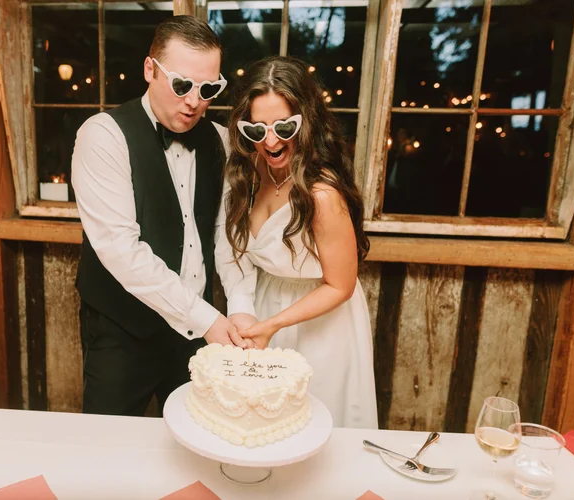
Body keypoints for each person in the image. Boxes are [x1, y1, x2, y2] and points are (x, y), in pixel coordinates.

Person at [71, 16, 248, 417]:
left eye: (208, 89)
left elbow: (225, 235)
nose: (194, 101)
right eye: (182, 85)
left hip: (195, 334)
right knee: (109, 446)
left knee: (195, 443)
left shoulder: (220, 140)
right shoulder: (103, 135)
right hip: (122, 331)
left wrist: (238, 307)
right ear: (150, 69)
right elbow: (120, 249)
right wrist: (207, 320)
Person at [215, 56, 378, 428]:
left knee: (313, 425)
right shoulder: (247, 174)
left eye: (283, 127)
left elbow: (341, 285)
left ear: (306, 122)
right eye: (256, 130)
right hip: (264, 305)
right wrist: (252, 316)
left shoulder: (322, 193)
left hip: (321, 321)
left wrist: (275, 324)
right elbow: (234, 251)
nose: (270, 141)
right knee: (262, 426)